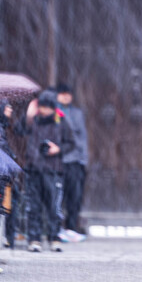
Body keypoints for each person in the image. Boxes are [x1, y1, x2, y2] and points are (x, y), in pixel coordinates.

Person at [15, 90, 75, 252]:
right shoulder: (33, 119)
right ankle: (34, 239)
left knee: (53, 207)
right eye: (41, 107)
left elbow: (71, 143)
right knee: (33, 206)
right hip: (33, 168)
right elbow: (18, 130)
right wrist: (28, 114)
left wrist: (58, 149)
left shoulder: (60, 120)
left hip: (53, 169)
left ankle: (54, 237)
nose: (43, 111)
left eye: (46, 108)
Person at [56, 84, 89, 240]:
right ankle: (55, 227)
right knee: (57, 196)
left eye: (68, 94)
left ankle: (71, 227)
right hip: (59, 158)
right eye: (63, 94)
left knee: (74, 195)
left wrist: (83, 159)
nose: (66, 97)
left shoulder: (77, 113)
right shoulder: (53, 112)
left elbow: (82, 137)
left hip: (75, 160)